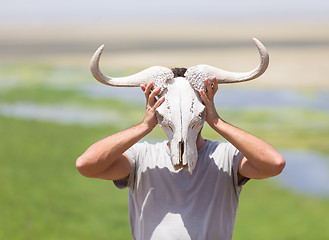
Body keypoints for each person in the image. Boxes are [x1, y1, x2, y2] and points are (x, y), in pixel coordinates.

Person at [76, 76, 286, 240]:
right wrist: (144, 126)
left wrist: (217, 122)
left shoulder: (225, 157)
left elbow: (274, 164)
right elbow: (86, 165)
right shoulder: (142, 156)